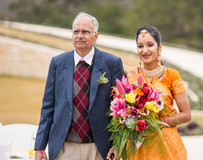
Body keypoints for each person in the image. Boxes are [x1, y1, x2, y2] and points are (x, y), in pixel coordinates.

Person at [34, 12, 125, 160]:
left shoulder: (112, 64)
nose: (80, 36)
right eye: (76, 31)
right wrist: (39, 146)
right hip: (64, 148)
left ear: (96, 36)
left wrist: (118, 143)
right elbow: (48, 107)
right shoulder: (57, 63)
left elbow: (121, 111)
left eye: (85, 32)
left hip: (100, 149)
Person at [107, 25, 191, 160]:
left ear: (160, 47)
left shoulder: (172, 76)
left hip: (166, 147)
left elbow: (186, 115)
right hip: (136, 148)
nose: (144, 50)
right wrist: (117, 145)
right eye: (140, 46)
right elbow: (121, 118)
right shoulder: (131, 76)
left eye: (150, 45)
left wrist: (155, 123)